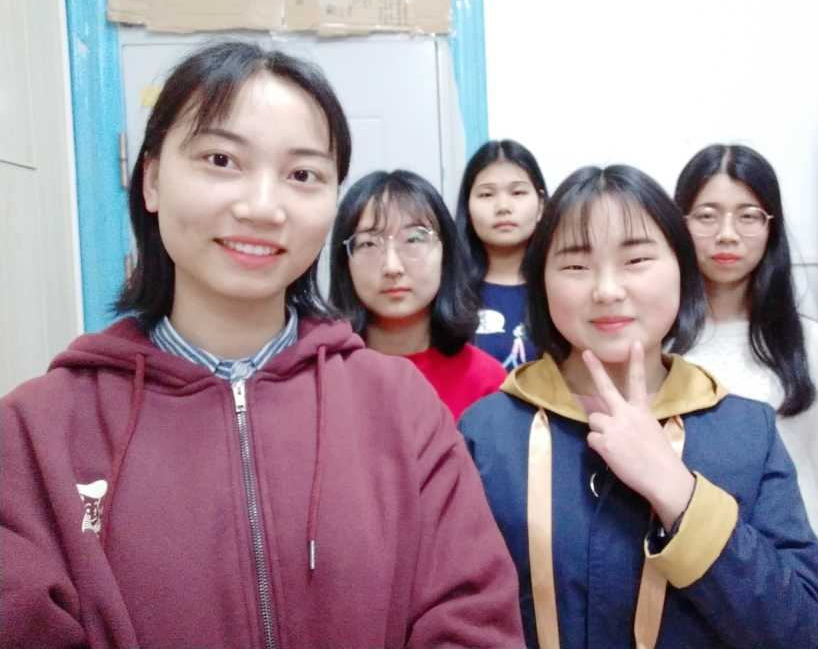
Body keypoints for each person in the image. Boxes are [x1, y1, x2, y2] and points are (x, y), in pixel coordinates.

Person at [0, 41, 523, 649]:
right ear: (152, 180)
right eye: (221, 159)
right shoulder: (39, 429)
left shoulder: (400, 406)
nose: (262, 207)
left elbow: (472, 619)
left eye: (302, 175)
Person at [459, 165, 818, 648]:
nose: (607, 290)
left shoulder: (746, 429)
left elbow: (809, 632)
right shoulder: (487, 432)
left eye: (636, 260)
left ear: (683, 269)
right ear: (542, 283)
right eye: (576, 266)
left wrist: (680, 494)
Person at [674, 143, 818, 628]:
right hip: (685, 570)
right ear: (679, 223)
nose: (727, 234)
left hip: (785, 580)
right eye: (706, 215)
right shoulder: (656, 346)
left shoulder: (816, 347)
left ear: (771, 226)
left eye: (748, 215)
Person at [329, 169, 506, 420]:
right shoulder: (324, 375)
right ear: (344, 262)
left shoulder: (486, 381)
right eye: (369, 243)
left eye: (413, 239)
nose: (392, 267)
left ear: (446, 253)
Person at [455, 139, 547, 370]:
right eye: (487, 195)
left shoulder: (559, 286)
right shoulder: (448, 288)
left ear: (541, 205)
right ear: (467, 207)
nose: (503, 207)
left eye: (517, 192)